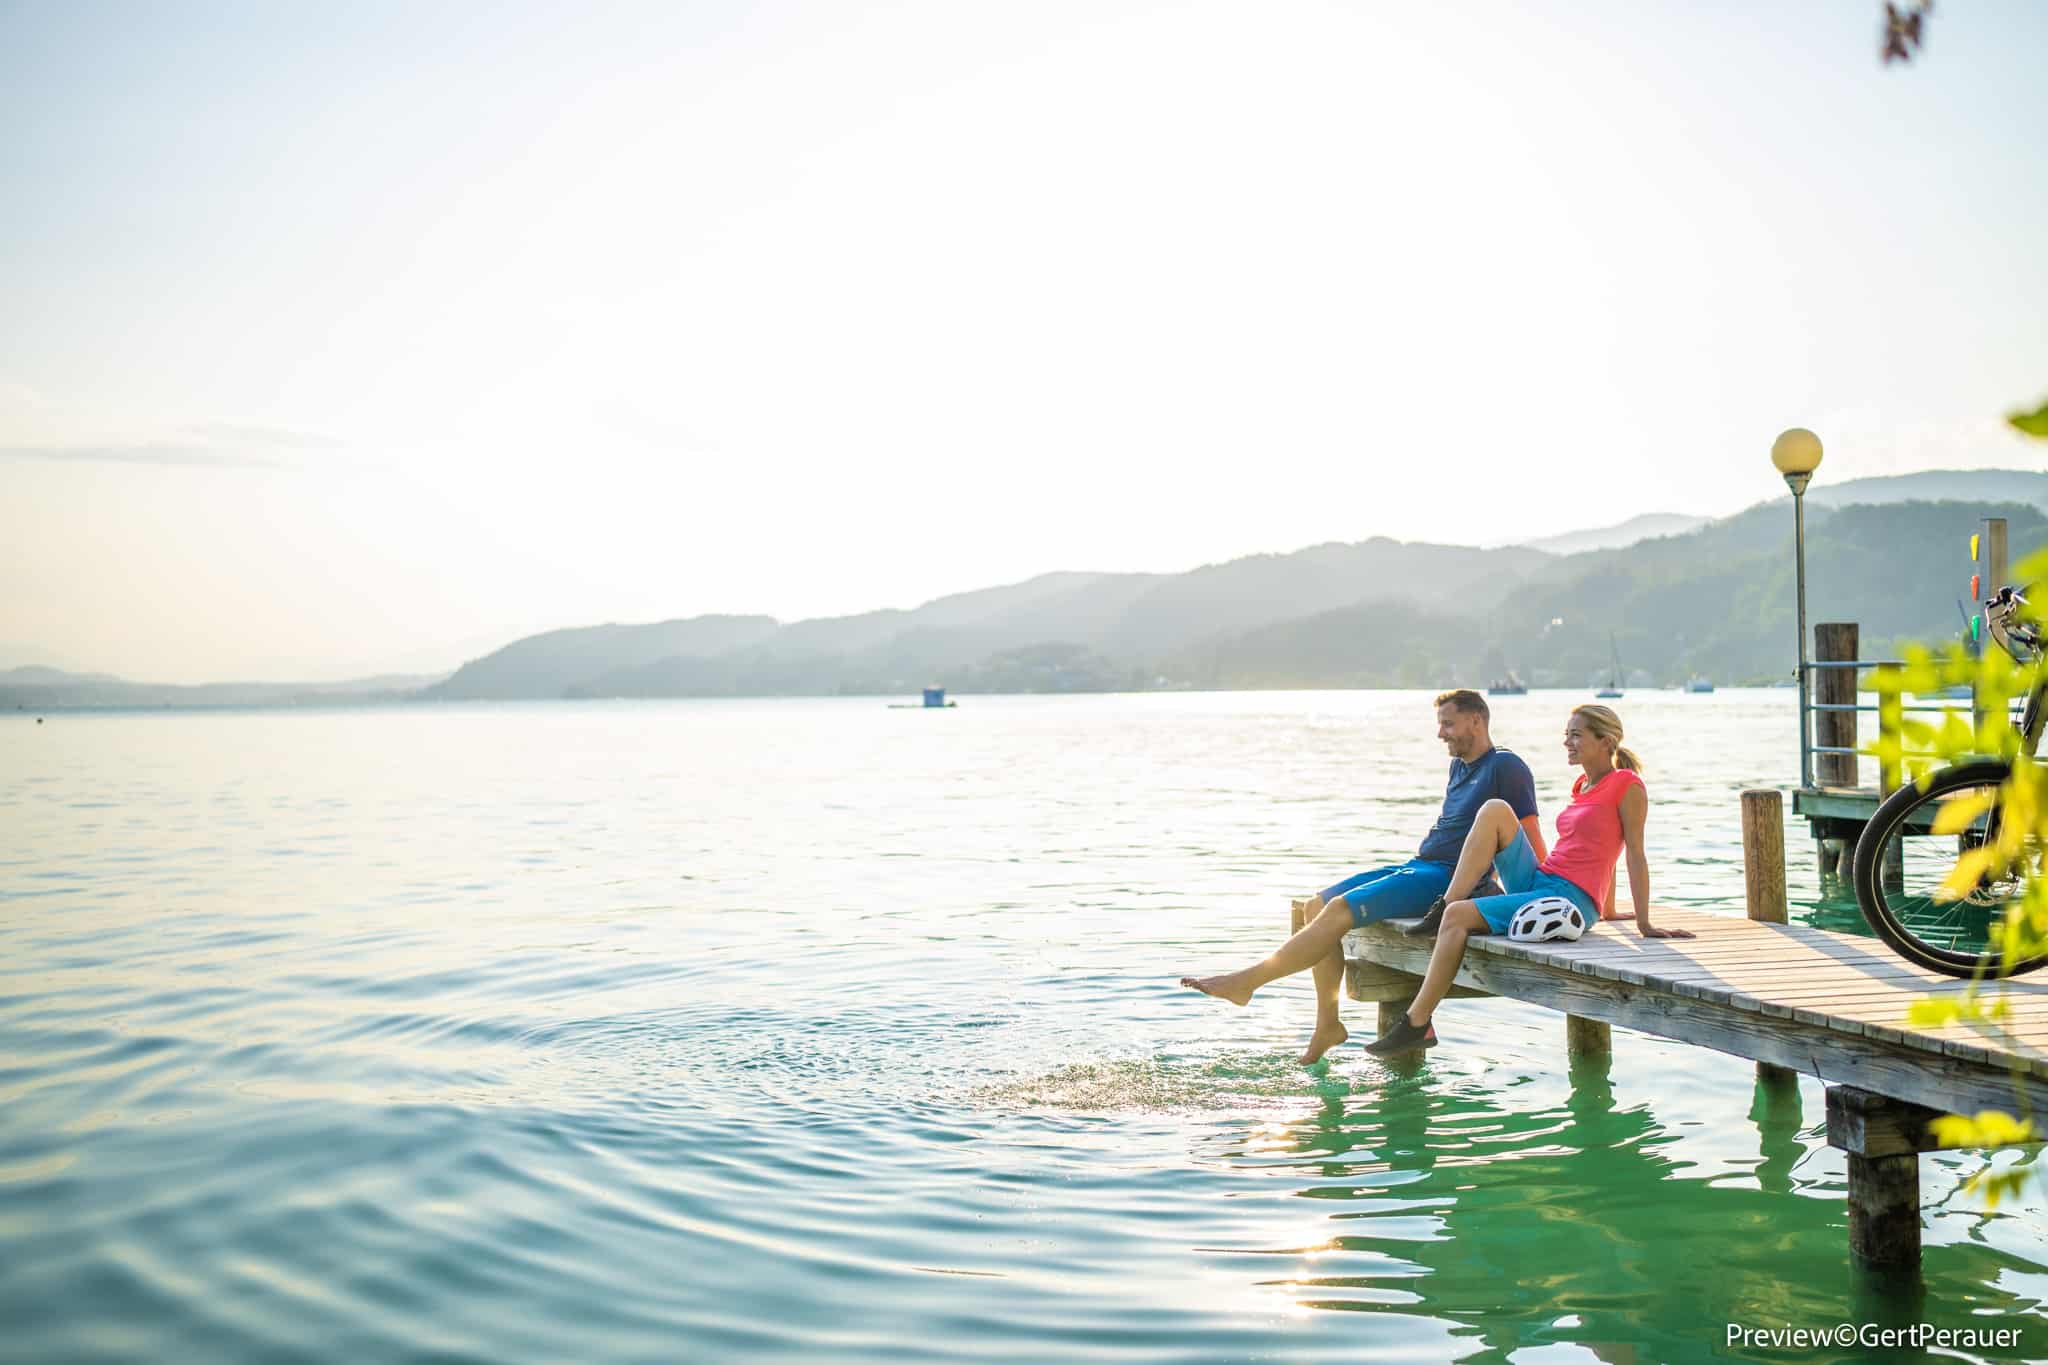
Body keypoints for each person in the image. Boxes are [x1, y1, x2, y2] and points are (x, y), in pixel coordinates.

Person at [1180, 689, 1546, 1064]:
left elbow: (1528, 838)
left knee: (1339, 910)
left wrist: (1546, 894)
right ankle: (1328, 1025)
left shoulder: (1506, 766)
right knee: (1315, 905)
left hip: (1447, 877)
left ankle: (1247, 981)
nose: (1441, 734)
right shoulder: (1459, 767)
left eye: (1448, 724)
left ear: (1476, 720)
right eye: (1440, 725)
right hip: (1420, 864)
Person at [1365, 704, 1693, 1057]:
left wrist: (1643, 922)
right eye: (1566, 733)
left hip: (1567, 900)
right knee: (1495, 810)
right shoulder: (1583, 784)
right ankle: (1443, 904)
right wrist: (1610, 909)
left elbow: (1631, 853)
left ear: (1606, 741)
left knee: (1458, 918)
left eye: (1576, 735)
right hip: (1543, 880)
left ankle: (1417, 1023)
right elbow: (1597, 849)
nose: (1567, 741)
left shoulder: (1627, 786)